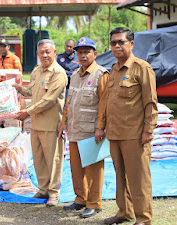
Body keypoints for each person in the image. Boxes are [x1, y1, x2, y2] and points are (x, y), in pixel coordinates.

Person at [104, 27, 157, 225]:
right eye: (113, 43)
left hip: (135, 135)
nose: (117, 46)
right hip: (115, 133)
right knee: (120, 177)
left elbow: (150, 102)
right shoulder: (114, 69)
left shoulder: (142, 68)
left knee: (139, 179)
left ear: (131, 44)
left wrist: (148, 130)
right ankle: (124, 212)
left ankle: (143, 218)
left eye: (121, 42)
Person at [58, 37, 108, 218]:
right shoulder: (75, 74)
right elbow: (68, 101)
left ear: (95, 54)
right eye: (80, 52)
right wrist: (64, 122)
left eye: (87, 51)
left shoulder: (101, 74)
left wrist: (100, 127)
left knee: (93, 168)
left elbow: (104, 103)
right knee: (76, 168)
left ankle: (94, 203)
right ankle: (81, 199)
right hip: (75, 129)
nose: (83, 55)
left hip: (92, 130)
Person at [13, 39, 67, 207]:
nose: (44, 55)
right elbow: (30, 91)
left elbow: (49, 99)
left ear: (54, 52)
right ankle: (43, 189)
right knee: (38, 159)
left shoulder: (58, 73)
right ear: (37, 54)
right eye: (41, 52)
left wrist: (27, 112)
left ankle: (54, 193)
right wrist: (17, 87)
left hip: (51, 125)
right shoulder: (36, 71)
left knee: (53, 160)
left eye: (47, 52)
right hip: (35, 124)